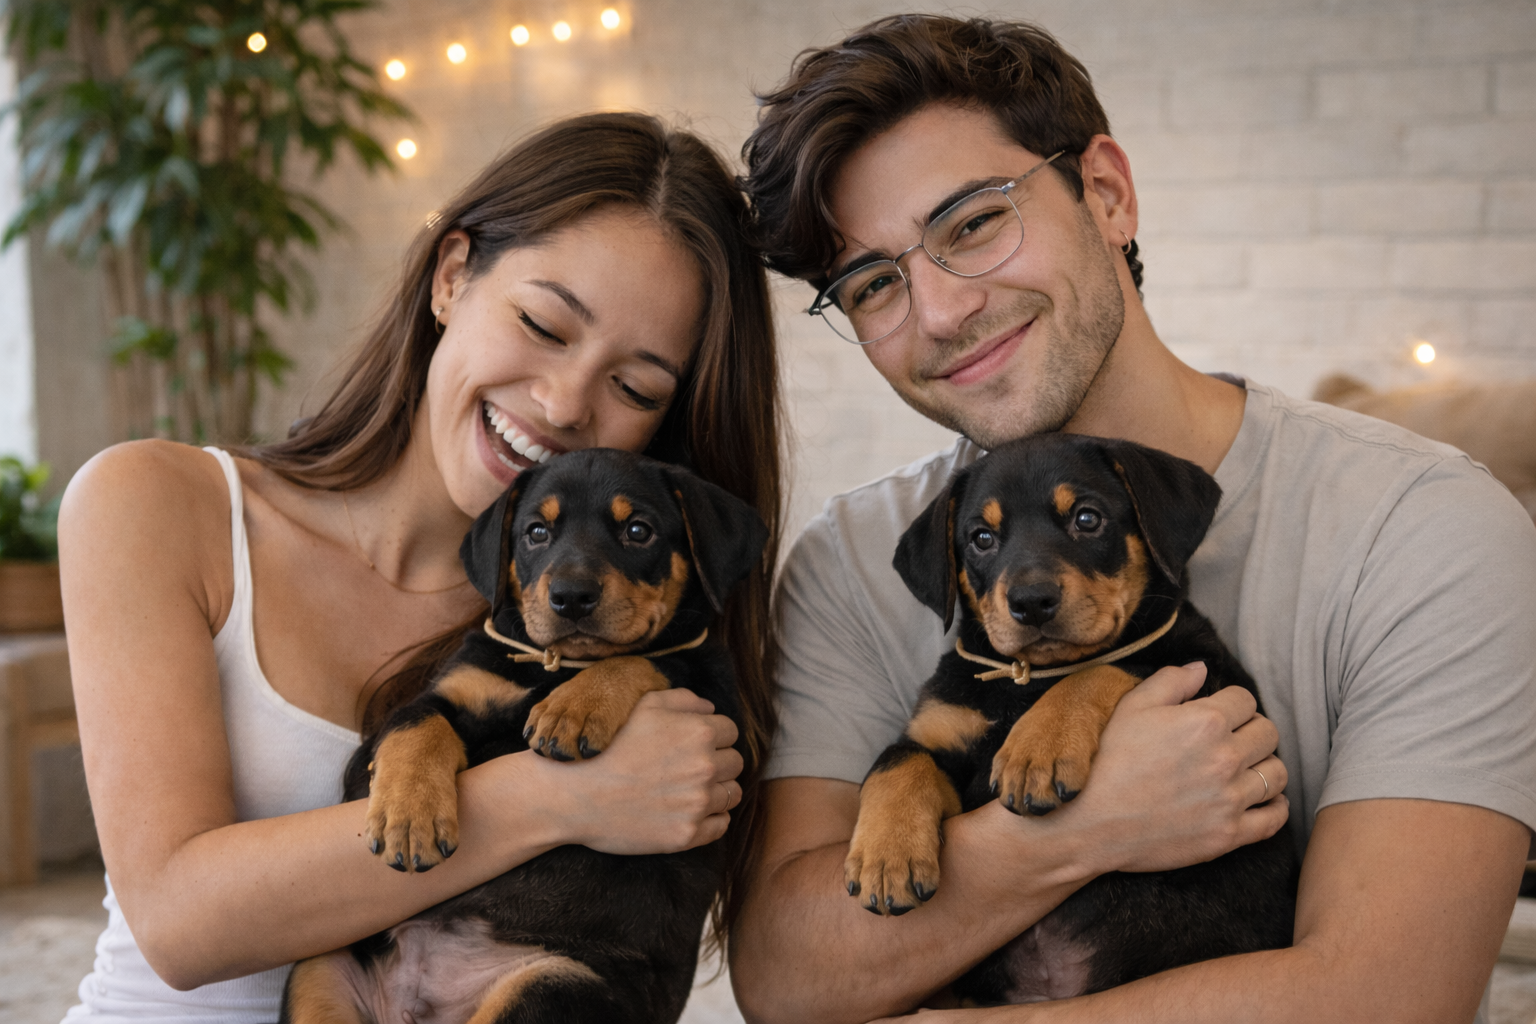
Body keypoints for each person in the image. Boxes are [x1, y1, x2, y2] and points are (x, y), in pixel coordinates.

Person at [731, 15, 1536, 1024]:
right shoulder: (849, 562)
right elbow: (787, 978)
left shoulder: (1425, 528)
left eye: (975, 221)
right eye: (875, 284)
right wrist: (1080, 830)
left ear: (1105, 195)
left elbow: (1388, 997)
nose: (938, 311)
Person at [58, 111, 782, 1020]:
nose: (562, 403)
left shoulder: (593, 625)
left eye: (634, 387)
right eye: (544, 324)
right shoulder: (159, 502)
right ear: (450, 278)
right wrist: (557, 797)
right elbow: (180, 925)